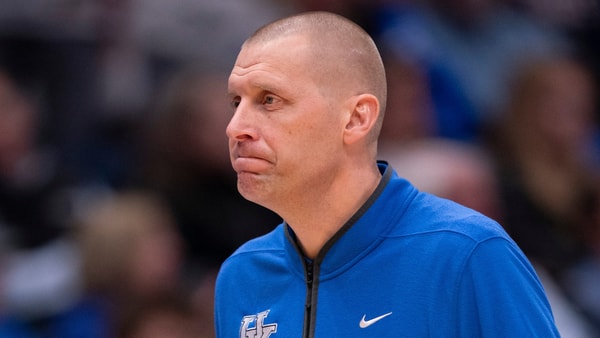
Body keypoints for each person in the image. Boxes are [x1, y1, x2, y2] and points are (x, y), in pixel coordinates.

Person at [214, 11, 559, 337]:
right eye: (236, 102)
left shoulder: (467, 254)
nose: (236, 127)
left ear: (356, 118)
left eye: (269, 100)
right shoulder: (241, 276)